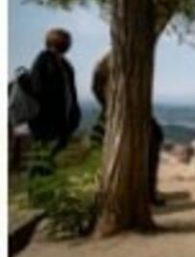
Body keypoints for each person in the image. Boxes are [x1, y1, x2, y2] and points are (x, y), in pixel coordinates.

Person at [91, 53, 166, 206]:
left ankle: (146, 192)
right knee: (152, 141)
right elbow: (99, 89)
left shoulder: (104, 64)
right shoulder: (113, 65)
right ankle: (146, 192)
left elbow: (96, 89)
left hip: (122, 112)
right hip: (122, 112)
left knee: (154, 139)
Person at [27, 29, 81, 165]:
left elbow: (70, 92)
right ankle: (36, 182)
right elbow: (38, 90)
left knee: (53, 155)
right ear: (53, 42)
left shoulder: (65, 64)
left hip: (63, 122)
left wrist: (74, 114)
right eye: (64, 41)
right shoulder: (43, 60)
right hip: (45, 122)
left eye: (68, 41)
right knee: (41, 157)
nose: (68, 44)